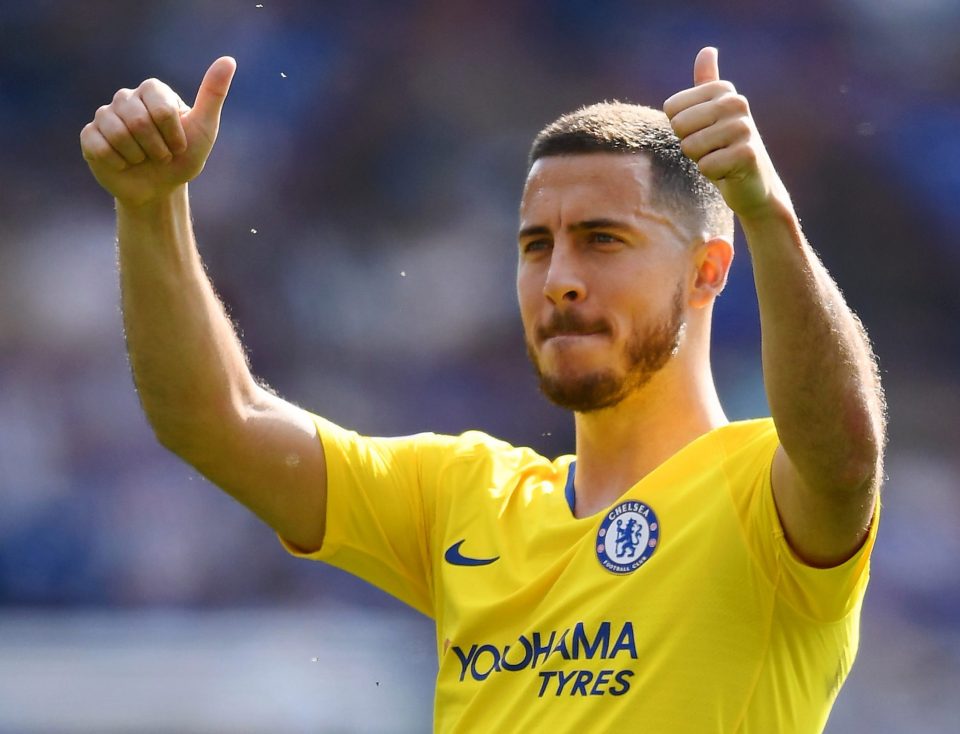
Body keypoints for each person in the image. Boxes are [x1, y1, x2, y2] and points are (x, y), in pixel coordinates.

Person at [80, 46, 885, 733]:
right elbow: (215, 419)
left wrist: (766, 212)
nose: (561, 280)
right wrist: (152, 207)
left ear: (708, 269)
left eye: (604, 240)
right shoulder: (465, 496)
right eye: (537, 246)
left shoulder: (765, 498)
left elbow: (846, 455)